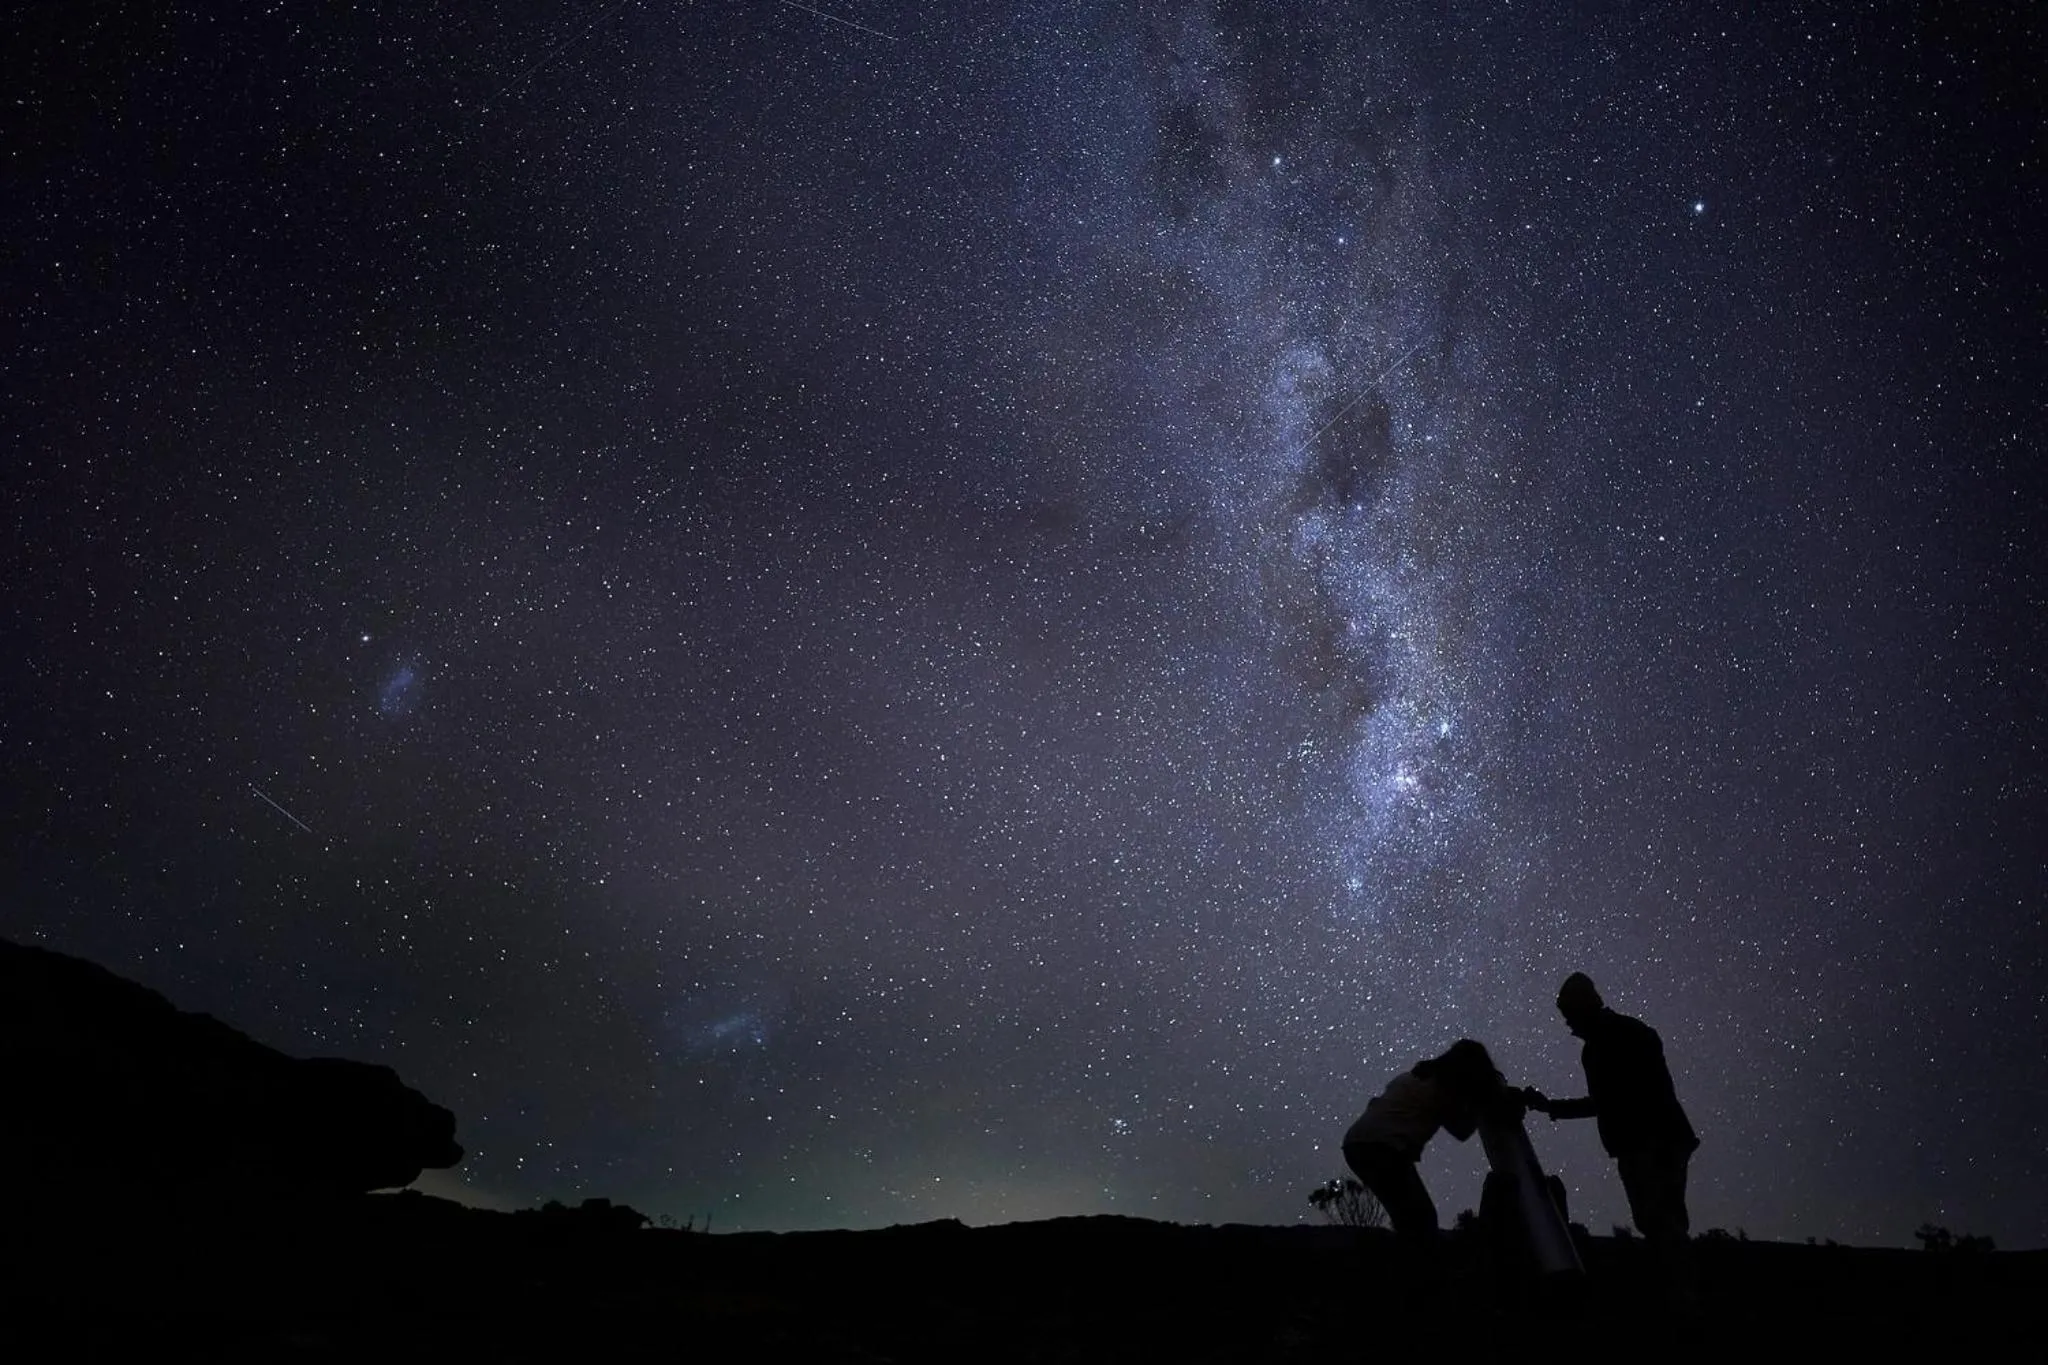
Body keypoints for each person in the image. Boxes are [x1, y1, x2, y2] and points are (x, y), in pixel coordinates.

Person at [1523, 973, 1699, 1255]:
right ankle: (1680, 1288)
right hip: (1656, 1141)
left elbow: (1609, 1100)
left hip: (1648, 1143)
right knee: (1663, 1223)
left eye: (1569, 1014)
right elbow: (1609, 1100)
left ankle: (1680, 1291)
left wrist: (1552, 1107)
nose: (1568, 1024)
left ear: (1583, 1007)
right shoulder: (1619, 1035)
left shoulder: (1611, 1040)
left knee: (1661, 1224)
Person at [1342, 1039, 1508, 1251]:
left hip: (1358, 1143)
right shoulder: (1442, 1085)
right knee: (1422, 1221)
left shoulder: (1422, 1074)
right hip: (1382, 1147)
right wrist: (1484, 1100)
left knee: (1408, 1220)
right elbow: (1462, 1131)